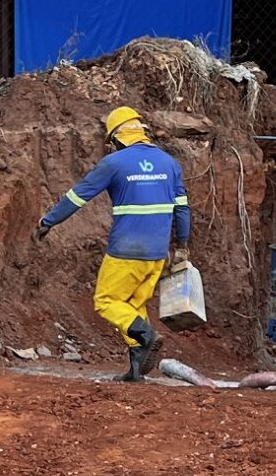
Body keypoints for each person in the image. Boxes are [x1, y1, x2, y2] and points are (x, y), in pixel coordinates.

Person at [36, 106, 193, 380]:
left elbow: (78, 196)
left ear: (118, 137)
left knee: (106, 301)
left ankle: (146, 336)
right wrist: (182, 245)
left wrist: (48, 221)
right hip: (157, 254)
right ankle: (136, 371)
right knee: (133, 305)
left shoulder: (114, 163)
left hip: (126, 251)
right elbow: (182, 209)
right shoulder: (169, 164)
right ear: (141, 131)